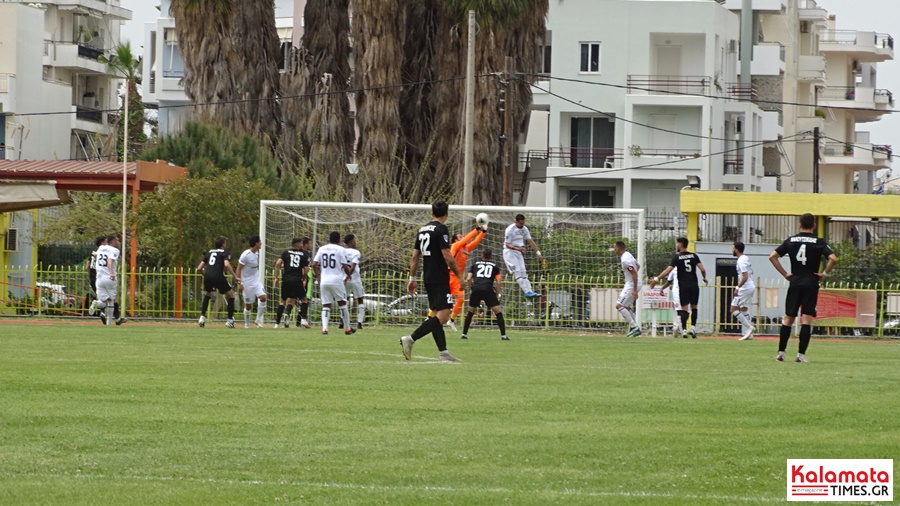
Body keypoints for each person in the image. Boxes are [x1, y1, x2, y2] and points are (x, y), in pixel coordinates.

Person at [768, 213, 838, 363]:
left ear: (800, 224)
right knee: (806, 319)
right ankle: (801, 355)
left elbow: (772, 256)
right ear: (814, 225)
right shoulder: (819, 242)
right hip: (811, 283)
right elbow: (833, 258)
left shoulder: (791, 240)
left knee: (788, 318)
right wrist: (824, 273)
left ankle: (781, 353)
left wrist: (785, 274)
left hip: (795, 282)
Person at [400, 201, 464, 362]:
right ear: (447, 214)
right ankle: (411, 338)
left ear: (432, 213)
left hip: (427, 276)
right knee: (444, 316)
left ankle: (443, 353)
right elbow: (447, 255)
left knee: (436, 314)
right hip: (440, 276)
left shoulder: (422, 230)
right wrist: (459, 276)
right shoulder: (441, 229)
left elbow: (415, 256)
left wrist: (412, 279)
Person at [650, 237, 707, 338]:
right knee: (694, 307)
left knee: (684, 308)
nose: (677, 245)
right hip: (694, 285)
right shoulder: (694, 256)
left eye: (677, 244)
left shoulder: (677, 257)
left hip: (683, 286)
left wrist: (657, 279)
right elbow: (702, 269)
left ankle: (684, 330)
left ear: (680, 245)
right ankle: (693, 328)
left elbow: (668, 271)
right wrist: (704, 278)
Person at [312, 231, 354, 335]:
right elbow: (345, 266)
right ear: (339, 240)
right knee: (342, 303)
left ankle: (325, 329)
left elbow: (314, 264)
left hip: (324, 280)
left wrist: (318, 276)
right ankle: (347, 328)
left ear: (329, 239)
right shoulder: (341, 249)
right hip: (336, 279)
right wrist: (348, 275)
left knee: (326, 305)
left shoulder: (322, 249)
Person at [461, 248, 507, 341]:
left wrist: (472, 288)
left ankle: (464, 334)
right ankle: (503, 336)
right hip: (488, 289)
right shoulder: (495, 266)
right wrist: (496, 293)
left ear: (482, 256)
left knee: (471, 311)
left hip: (476, 288)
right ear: (491, 256)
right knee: (498, 312)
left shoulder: (475, 265)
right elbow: (498, 282)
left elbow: (469, 278)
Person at [197, 236, 239, 328]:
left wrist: (205, 275)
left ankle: (202, 317)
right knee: (231, 294)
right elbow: (227, 264)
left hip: (208, 276)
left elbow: (199, 268)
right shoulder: (224, 252)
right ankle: (230, 320)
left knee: (208, 294)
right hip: (218, 276)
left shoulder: (209, 252)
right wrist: (235, 276)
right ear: (223, 244)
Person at [503, 214, 544, 298]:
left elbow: (530, 241)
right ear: (516, 221)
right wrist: (517, 248)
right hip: (509, 253)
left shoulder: (525, 229)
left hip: (518, 252)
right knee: (517, 272)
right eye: (521, 224)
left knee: (523, 272)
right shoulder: (510, 230)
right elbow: (507, 244)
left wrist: (538, 253)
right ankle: (526, 292)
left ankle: (530, 291)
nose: (522, 225)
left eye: (523, 223)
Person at [272, 237, 310, 329]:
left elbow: (278, 263)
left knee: (282, 301)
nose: (302, 245)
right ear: (297, 244)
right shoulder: (303, 254)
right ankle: (303, 319)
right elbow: (306, 270)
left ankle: (277, 324)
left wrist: (276, 277)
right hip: (297, 280)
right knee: (304, 300)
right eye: (301, 243)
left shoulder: (286, 252)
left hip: (286, 280)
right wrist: (304, 278)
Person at [235, 235, 267, 329]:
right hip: (247, 283)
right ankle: (247, 324)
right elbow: (238, 269)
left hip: (256, 281)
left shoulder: (257, 254)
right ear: (256, 243)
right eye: (260, 241)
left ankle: (257, 320)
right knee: (248, 305)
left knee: (263, 297)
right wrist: (239, 283)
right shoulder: (246, 255)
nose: (261, 243)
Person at [94, 235, 125, 326]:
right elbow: (110, 261)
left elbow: (96, 257)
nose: (119, 242)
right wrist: (111, 273)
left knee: (103, 300)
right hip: (109, 277)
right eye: (117, 240)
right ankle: (109, 323)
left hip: (99, 277)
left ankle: (96, 304)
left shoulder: (100, 248)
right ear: (114, 241)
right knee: (111, 299)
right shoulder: (115, 250)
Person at [613, 241, 641, 337]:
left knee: (619, 305)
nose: (614, 250)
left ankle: (634, 327)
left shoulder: (625, 260)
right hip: (633, 283)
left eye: (614, 248)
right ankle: (636, 328)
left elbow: (634, 272)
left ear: (618, 248)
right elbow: (638, 266)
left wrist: (634, 289)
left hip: (632, 284)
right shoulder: (628, 254)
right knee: (626, 307)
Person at [731, 241, 756, 341]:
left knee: (733, 309)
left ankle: (750, 328)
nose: (732, 250)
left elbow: (745, 276)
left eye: (733, 248)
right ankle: (749, 334)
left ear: (736, 249)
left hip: (745, 287)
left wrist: (737, 287)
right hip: (750, 286)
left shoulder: (741, 260)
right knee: (743, 308)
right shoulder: (745, 258)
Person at [343, 234, 366, 330]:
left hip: (344, 278)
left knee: (344, 300)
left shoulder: (342, 251)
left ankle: (342, 320)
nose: (355, 242)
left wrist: (345, 278)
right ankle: (359, 322)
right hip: (354, 278)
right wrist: (349, 276)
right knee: (360, 299)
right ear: (351, 241)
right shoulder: (356, 252)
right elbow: (353, 266)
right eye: (354, 240)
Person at [86, 235, 106, 317]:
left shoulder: (92, 253)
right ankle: (102, 312)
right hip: (100, 277)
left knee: (101, 296)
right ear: (102, 243)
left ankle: (102, 312)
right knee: (105, 296)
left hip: (92, 277)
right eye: (105, 241)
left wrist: (91, 274)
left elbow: (87, 266)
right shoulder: (103, 254)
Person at [659, 269, 682, 336]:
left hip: (686, 290)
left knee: (684, 310)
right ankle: (678, 327)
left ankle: (679, 327)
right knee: (678, 309)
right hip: (677, 291)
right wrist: (662, 288)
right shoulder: (674, 269)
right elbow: (669, 281)